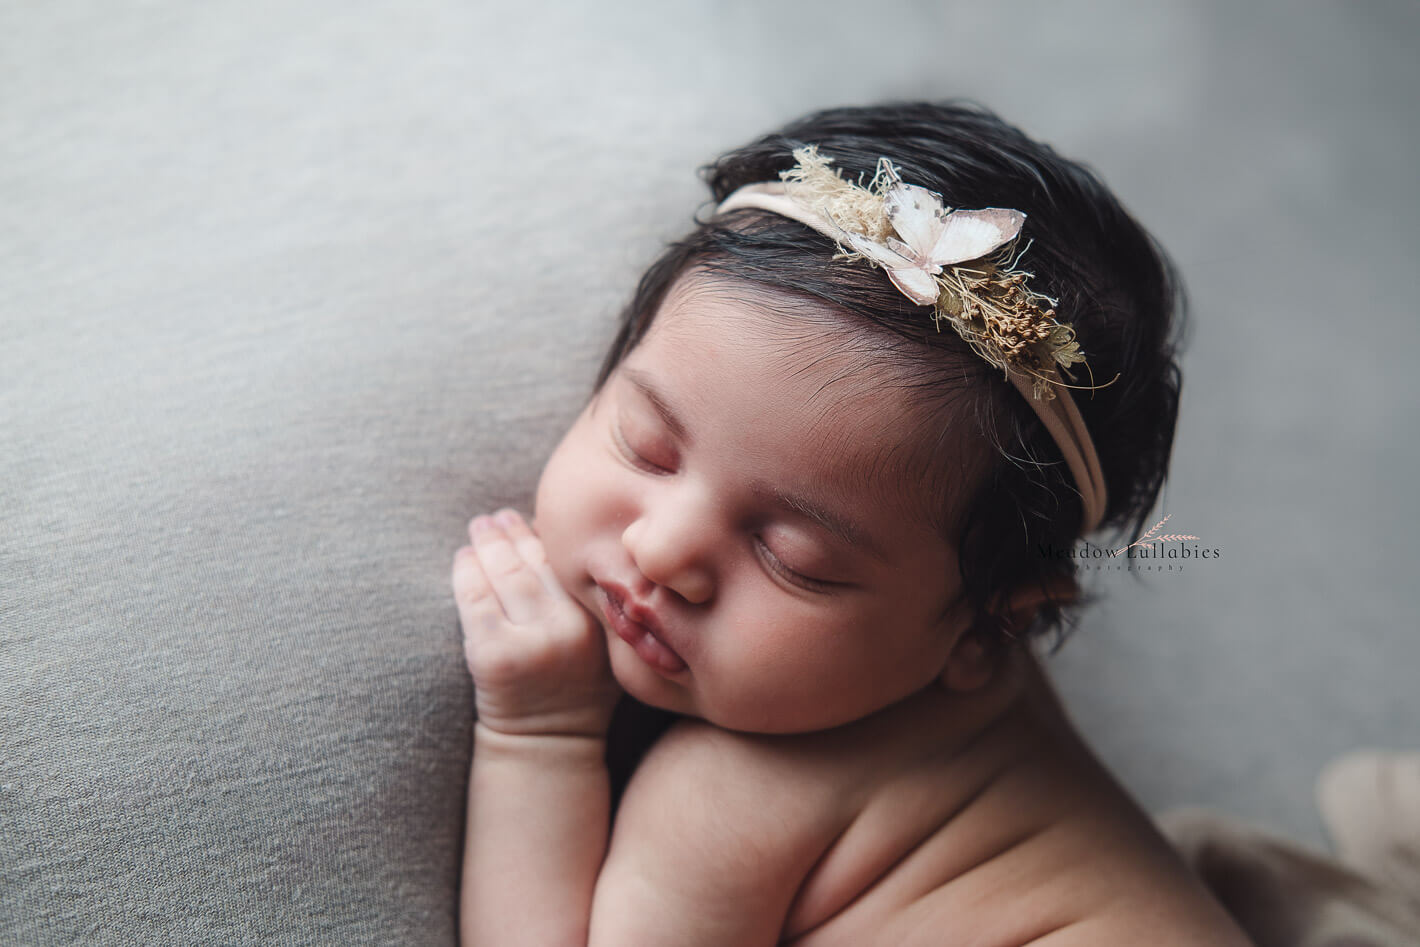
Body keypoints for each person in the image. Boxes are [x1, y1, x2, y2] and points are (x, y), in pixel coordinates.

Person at [452, 101, 1251, 945]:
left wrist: (539, 732)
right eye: (646, 447)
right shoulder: (957, 674)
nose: (660, 549)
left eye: (793, 557)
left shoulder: (731, 796)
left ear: (993, 627)